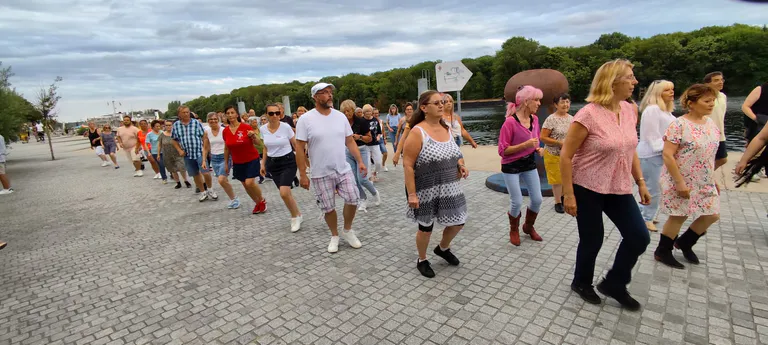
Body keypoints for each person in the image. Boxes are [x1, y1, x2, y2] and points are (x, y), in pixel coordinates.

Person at [560, 59, 650, 311]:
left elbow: (630, 148)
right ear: (612, 81)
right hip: (587, 185)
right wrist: (568, 194)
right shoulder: (588, 114)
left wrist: (640, 182)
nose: (635, 82)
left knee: (638, 236)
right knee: (593, 239)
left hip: (618, 186)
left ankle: (614, 283)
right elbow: (566, 155)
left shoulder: (630, 110)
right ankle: (581, 282)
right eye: (630, 77)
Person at [403, 90, 469, 277]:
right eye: (437, 103)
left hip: (450, 186)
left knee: (459, 221)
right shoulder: (418, 132)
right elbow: (407, 165)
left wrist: (461, 165)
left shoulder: (446, 128)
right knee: (426, 227)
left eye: (443, 102)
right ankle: (422, 259)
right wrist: (412, 194)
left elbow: (456, 154)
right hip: (426, 188)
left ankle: (442, 248)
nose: (442, 105)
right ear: (424, 108)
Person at [655, 84, 721, 269]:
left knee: (712, 214)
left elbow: (708, 155)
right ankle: (663, 251)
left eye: (713, 101)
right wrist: (679, 182)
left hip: (704, 179)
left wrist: (713, 178)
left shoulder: (710, 124)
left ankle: (685, 242)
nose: (711, 105)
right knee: (679, 215)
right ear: (691, 103)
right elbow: (668, 154)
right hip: (681, 178)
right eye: (707, 101)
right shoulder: (679, 125)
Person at [295, 83, 366, 253]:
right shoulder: (305, 120)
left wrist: (360, 161)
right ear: (315, 97)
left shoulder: (340, 116)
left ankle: (347, 230)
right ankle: (334, 235)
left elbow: (349, 140)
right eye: (324, 93)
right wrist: (303, 174)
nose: (329, 95)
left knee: (353, 198)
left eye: (330, 92)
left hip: (342, 168)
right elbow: (299, 147)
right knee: (328, 207)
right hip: (320, 172)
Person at [498, 85, 544, 246]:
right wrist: (525, 145)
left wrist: (537, 148)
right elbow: (503, 151)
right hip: (511, 166)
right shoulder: (510, 123)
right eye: (536, 100)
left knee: (537, 199)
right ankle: (514, 229)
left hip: (529, 163)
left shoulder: (535, 119)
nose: (539, 103)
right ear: (526, 102)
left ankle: (528, 226)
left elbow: (534, 139)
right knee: (516, 201)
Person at [636, 80, 676, 232]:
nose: (671, 92)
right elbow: (652, 136)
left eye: (672, 89)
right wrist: (668, 149)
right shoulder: (652, 110)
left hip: (660, 154)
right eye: (667, 90)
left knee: (657, 187)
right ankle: (647, 218)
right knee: (653, 188)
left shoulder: (665, 111)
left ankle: (646, 212)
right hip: (651, 154)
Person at [261, 104, 303, 231]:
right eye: (271, 113)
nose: (275, 116)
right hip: (273, 164)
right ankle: (298, 214)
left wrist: (303, 165)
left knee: (284, 192)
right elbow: (265, 147)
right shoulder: (263, 129)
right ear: (266, 115)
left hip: (288, 161)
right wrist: (263, 163)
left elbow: (296, 145)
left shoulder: (286, 127)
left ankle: (294, 217)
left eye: (277, 113)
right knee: (286, 193)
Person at [222, 106, 267, 214]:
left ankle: (262, 200)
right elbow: (227, 148)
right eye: (228, 113)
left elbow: (258, 143)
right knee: (245, 185)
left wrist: (253, 136)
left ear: (237, 114)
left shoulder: (245, 127)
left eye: (232, 112)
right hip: (237, 161)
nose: (230, 115)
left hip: (251, 158)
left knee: (250, 182)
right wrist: (226, 163)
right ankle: (257, 203)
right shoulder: (225, 131)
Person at [341, 100, 380, 213]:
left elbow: (370, 138)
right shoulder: (342, 122)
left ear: (353, 110)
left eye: (348, 111)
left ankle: (374, 192)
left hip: (362, 150)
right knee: (354, 179)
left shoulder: (361, 121)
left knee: (362, 179)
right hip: (348, 152)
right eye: (344, 111)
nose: (346, 113)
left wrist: (359, 137)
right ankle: (363, 199)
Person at [172, 106, 218, 201]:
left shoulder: (196, 123)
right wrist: (179, 150)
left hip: (199, 152)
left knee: (205, 173)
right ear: (179, 114)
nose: (186, 114)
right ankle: (202, 192)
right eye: (184, 112)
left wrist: (205, 150)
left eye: (187, 112)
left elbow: (204, 137)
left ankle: (210, 189)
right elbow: (174, 140)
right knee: (195, 174)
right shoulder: (176, 125)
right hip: (187, 154)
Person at [540, 94, 573, 214]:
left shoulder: (571, 119)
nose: (566, 105)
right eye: (562, 102)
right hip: (553, 153)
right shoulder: (551, 119)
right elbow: (543, 137)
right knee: (556, 180)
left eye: (567, 102)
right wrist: (558, 143)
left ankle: (564, 198)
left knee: (566, 176)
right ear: (555, 105)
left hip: (567, 154)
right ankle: (558, 202)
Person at [203, 114, 239, 209]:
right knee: (224, 180)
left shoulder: (224, 130)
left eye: (215, 119)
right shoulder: (207, 132)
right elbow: (206, 148)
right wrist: (203, 160)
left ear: (218, 120)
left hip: (225, 157)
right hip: (214, 159)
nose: (213, 121)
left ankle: (235, 199)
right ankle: (233, 199)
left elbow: (230, 144)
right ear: (208, 121)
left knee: (221, 180)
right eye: (211, 119)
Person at [704, 72, 728, 170]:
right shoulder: (704, 97)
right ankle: (706, 176)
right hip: (707, 133)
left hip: (720, 133)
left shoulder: (723, 96)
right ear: (707, 84)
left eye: (721, 80)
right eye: (716, 80)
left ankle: (706, 175)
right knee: (707, 158)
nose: (720, 82)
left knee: (722, 159)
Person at [158, 120, 191, 189]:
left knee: (182, 167)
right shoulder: (162, 135)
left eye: (170, 125)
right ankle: (178, 182)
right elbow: (159, 145)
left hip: (178, 153)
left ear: (173, 126)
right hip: (167, 154)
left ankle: (186, 180)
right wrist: (158, 154)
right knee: (172, 169)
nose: (168, 126)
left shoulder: (177, 133)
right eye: (166, 125)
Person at [363, 105, 384, 182]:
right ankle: (369, 178)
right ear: (364, 113)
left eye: (369, 111)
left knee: (378, 162)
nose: (368, 113)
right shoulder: (361, 121)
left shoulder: (375, 120)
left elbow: (379, 131)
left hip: (375, 143)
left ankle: (375, 172)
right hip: (365, 145)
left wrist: (378, 137)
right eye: (366, 112)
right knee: (367, 163)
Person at [374, 108, 389, 172]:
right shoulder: (371, 121)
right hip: (374, 139)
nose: (376, 114)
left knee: (385, 153)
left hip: (380, 139)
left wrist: (385, 138)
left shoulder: (381, 121)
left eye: (377, 113)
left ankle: (383, 164)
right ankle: (377, 168)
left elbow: (383, 130)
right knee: (376, 155)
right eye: (374, 113)